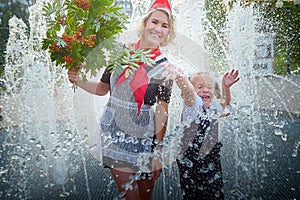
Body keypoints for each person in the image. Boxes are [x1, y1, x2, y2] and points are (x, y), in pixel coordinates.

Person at [67, 0, 175, 199]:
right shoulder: (120, 54)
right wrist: (78, 80)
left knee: (145, 195)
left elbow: (162, 110)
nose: (158, 29)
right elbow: (101, 89)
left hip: (145, 138)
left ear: (168, 32)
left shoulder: (166, 68)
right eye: (155, 22)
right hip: (115, 135)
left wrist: (158, 150)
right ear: (144, 23)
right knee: (129, 195)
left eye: (164, 25)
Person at [170, 68, 239, 199]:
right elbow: (189, 93)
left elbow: (225, 102)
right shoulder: (192, 106)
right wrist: (182, 79)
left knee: (215, 190)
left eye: (209, 87)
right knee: (193, 192)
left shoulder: (213, 107)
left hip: (212, 157)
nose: (205, 90)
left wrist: (226, 87)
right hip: (190, 158)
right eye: (199, 87)